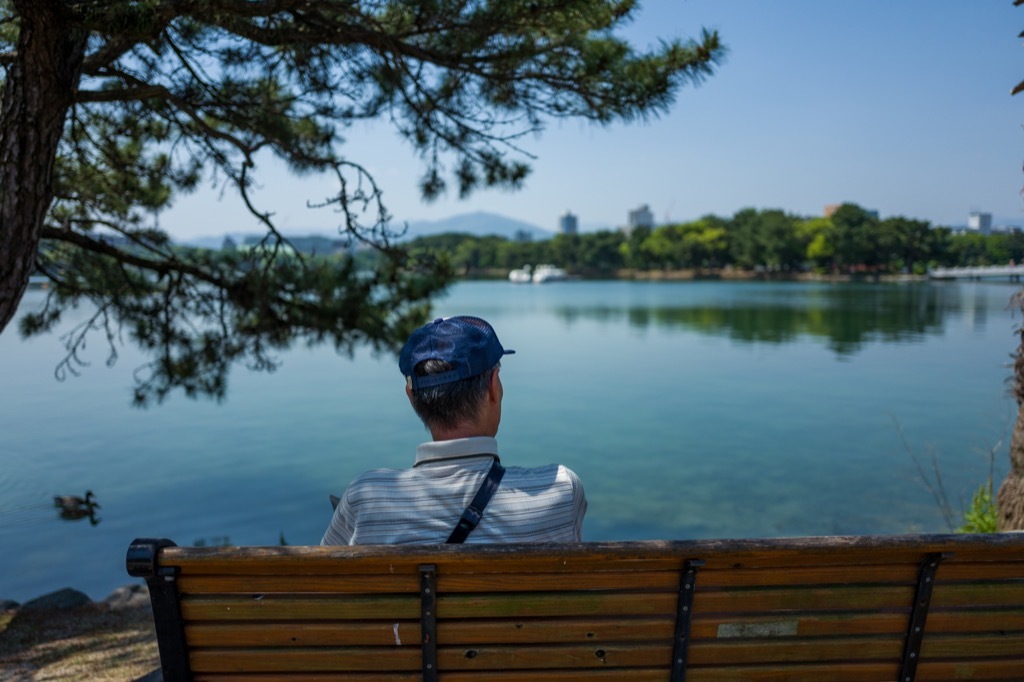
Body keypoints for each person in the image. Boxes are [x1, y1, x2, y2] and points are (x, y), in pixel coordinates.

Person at [321, 315, 586, 545]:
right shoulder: (561, 490)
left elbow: (323, 584)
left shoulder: (365, 498)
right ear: (494, 387)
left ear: (411, 397)